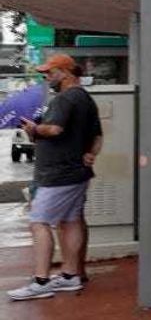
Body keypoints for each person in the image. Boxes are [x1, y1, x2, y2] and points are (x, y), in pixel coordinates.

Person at [7, 54, 102, 302]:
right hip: (75, 173)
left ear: (66, 72)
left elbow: (55, 129)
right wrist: (90, 154)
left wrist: (33, 129)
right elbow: (98, 136)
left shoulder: (65, 98)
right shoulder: (85, 99)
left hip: (58, 174)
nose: (46, 77)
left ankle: (41, 281)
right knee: (69, 221)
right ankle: (70, 275)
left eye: (50, 72)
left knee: (38, 222)